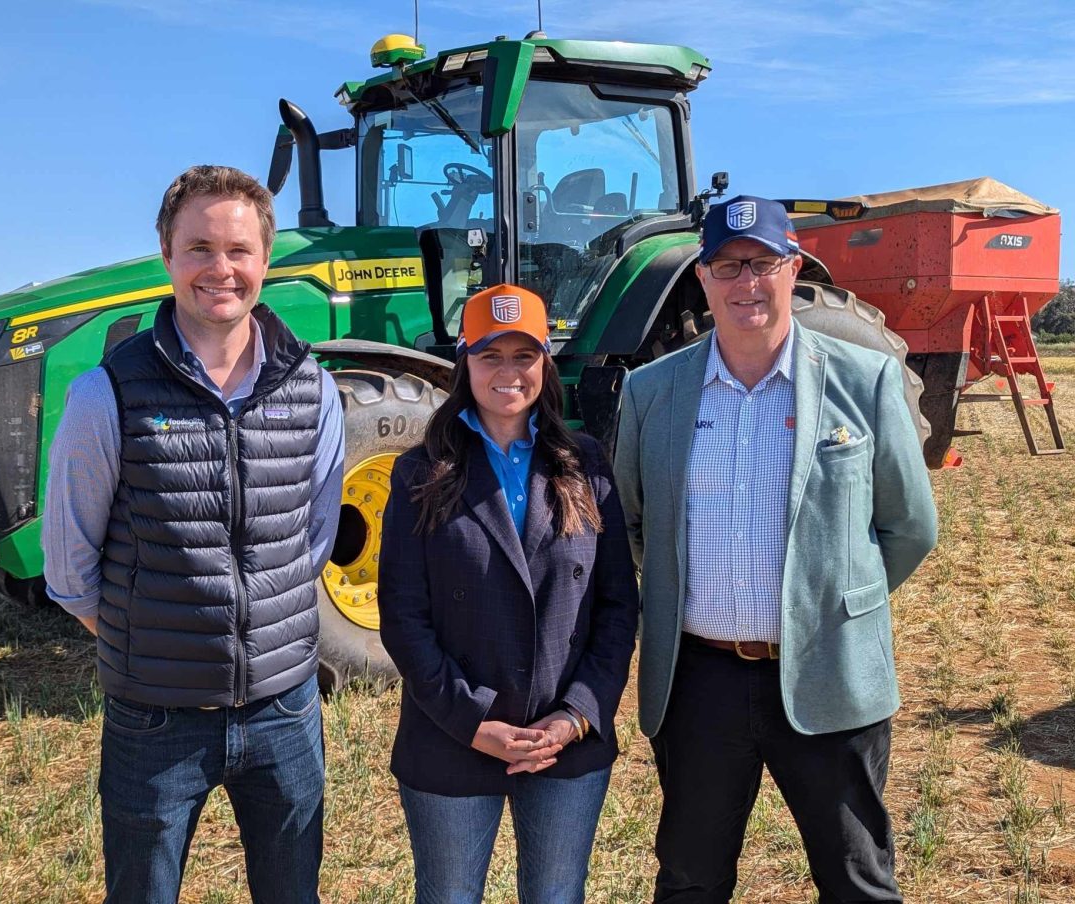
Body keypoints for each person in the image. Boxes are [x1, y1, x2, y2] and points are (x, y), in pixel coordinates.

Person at [613, 195, 938, 903]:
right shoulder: (651, 392)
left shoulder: (866, 380)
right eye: (727, 266)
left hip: (829, 673)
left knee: (857, 881)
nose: (745, 283)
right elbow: (636, 524)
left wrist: (840, 604)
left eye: (762, 263)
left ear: (793, 269)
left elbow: (910, 526)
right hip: (700, 684)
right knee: (690, 881)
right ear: (702, 277)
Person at [42, 164, 345, 904]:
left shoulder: (313, 388)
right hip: (155, 718)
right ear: (167, 255)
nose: (222, 269)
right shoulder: (107, 393)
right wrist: (156, 641)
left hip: (284, 709)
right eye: (200, 248)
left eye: (239, 250)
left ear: (267, 261)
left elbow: (313, 539)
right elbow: (71, 566)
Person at [378, 284, 639, 904]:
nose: (507, 372)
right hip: (451, 734)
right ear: (464, 361)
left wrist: (577, 714)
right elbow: (403, 617)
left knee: (555, 895)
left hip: (562, 743)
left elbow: (615, 608)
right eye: (490, 355)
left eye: (524, 355)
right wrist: (475, 724)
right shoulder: (421, 472)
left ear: (546, 363)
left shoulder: (586, 464)